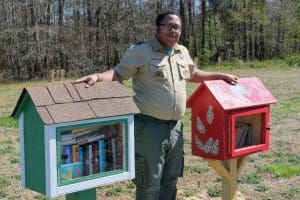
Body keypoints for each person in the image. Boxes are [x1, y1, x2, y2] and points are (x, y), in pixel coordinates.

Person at [74, 10, 238, 200]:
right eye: (168, 26)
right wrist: (98, 77)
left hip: (175, 128)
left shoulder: (181, 51)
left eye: (177, 27)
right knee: (149, 184)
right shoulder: (141, 51)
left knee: (170, 182)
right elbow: (119, 73)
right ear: (157, 29)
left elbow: (193, 74)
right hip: (149, 128)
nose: (173, 31)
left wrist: (221, 76)